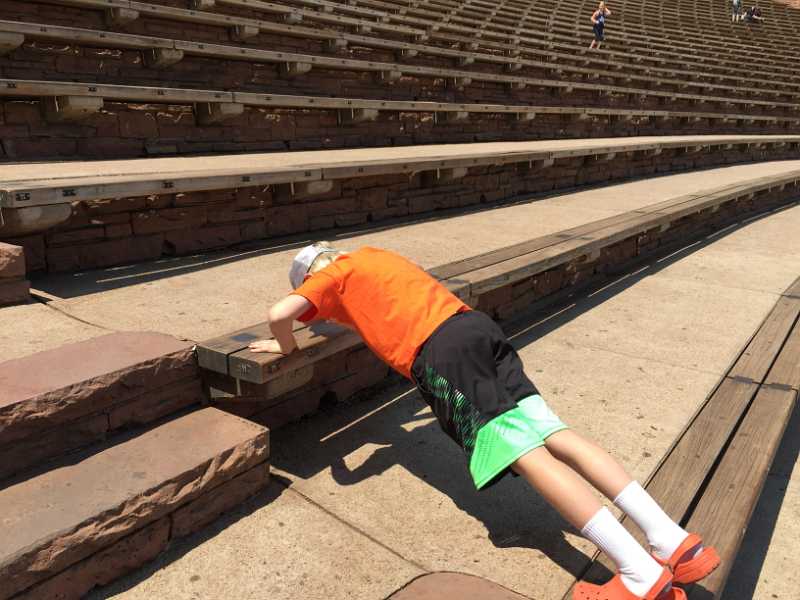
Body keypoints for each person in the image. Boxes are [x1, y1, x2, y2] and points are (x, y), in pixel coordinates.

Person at [250, 242, 721, 600]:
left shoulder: (332, 276)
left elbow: (280, 313)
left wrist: (286, 346)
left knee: (528, 455)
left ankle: (638, 574)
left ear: (311, 275)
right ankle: (673, 541)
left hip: (441, 354)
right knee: (556, 434)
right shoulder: (374, 256)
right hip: (475, 328)